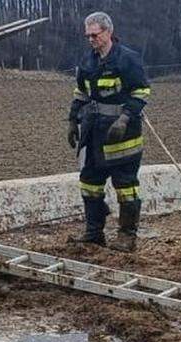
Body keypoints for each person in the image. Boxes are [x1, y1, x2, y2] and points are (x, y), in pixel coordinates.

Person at [67, 11, 150, 252]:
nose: (91, 39)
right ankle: (94, 233)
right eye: (88, 36)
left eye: (95, 35)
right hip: (94, 133)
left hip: (123, 136)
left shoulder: (127, 59)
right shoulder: (87, 62)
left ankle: (127, 235)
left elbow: (141, 92)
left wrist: (124, 119)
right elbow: (81, 93)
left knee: (125, 185)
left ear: (108, 32)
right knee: (89, 183)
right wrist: (73, 120)